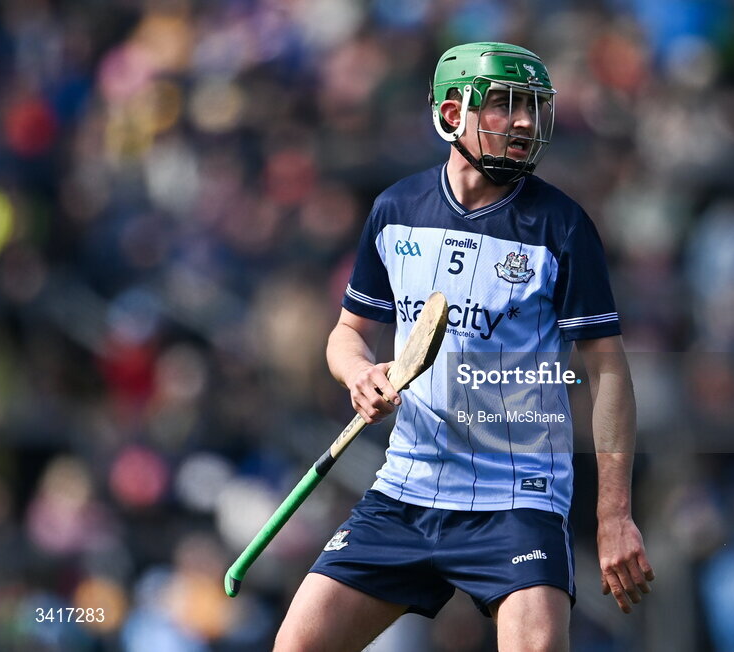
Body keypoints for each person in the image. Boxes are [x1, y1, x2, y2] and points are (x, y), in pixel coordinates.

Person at [276, 42, 653, 652]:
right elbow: (347, 334)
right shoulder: (396, 210)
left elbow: (609, 373)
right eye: (504, 105)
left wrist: (613, 514)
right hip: (406, 488)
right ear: (452, 113)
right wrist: (358, 376)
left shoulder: (563, 227)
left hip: (518, 498)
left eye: (532, 107)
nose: (526, 122)